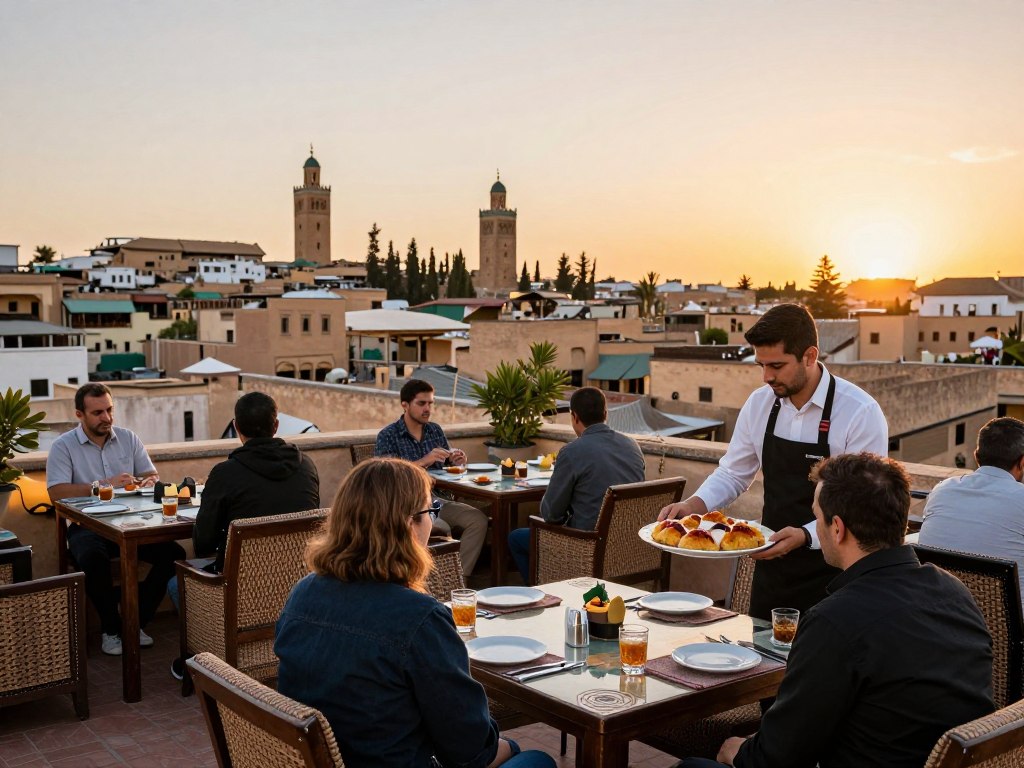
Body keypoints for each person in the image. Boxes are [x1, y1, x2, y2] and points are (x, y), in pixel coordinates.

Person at [678, 452, 994, 768]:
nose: (818, 525)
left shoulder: (834, 621)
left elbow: (775, 759)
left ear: (838, 528)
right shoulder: (956, 593)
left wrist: (737, 751)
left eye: (817, 518)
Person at [275, 458, 556, 768]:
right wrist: (506, 746)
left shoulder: (302, 594)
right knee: (536, 760)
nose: (432, 523)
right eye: (429, 512)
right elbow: (470, 751)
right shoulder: (418, 619)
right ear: (408, 523)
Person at [659, 304, 888, 618]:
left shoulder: (859, 412)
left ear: (810, 356)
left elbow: (862, 504)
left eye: (777, 365)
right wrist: (694, 505)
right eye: (761, 365)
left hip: (836, 572)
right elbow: (734, 472)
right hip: (772, 565)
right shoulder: (759, 404)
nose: (767, 376)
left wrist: (806, 536)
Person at [46, 383, 185, 656]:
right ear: (79, 414)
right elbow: (56, 493)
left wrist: (147, 481)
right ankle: (111, 628)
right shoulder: (63, 446)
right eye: (97, 412)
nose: (106, 418)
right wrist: (102, 484)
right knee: (92, 560)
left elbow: (151, 475)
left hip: (131, 523)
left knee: (174, 554)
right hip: (86, 527)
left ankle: (135, 622)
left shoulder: (128, 438)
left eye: (109, 410)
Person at [167, 392, 320, 607]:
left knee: (176, 583)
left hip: (240, 593)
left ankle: (214, 638)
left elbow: (203, 544)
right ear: (275, 426)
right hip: (295, 587)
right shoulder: (307, 466)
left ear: (236, 427)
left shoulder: (225, 474)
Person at [507, 387, 645, 582]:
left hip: (586, 546)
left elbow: (551, 514)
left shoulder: (572, 452)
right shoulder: (632, 446)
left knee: (516, 538)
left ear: (574, 417)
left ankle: (543, 598)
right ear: (605, 414)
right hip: (628, 545)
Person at [376, 379, 489, 576]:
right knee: (441, 527)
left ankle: (458, 578)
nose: (428, 408)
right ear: (405, 405)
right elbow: (386, 476)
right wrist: (424, 461)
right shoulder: (388, 435)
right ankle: (428, 580)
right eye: (422, 403)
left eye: (430, 403)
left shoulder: (434, 430)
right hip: (407, 504)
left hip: (438, 499)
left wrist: (456, 460)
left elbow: (447, 466)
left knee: (477, 520)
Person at [920, 416, 1024, 604]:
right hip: (1005, 629)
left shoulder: (941, 491)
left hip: (938, 619)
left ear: (977, 456)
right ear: (1022, 462)